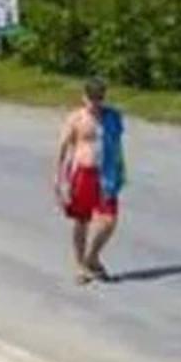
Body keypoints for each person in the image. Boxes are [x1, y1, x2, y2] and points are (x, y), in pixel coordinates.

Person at [55, 77, 125, 284]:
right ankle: (80, 265)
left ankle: (92, 256)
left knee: (109, 221)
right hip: (82, 174)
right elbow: (63, 148)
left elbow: (117, 146)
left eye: (100, 98)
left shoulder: (112, 117)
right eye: (92, 99)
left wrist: (121, 170)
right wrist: (59, 178)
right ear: (84, 97)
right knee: (82, 221)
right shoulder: (76, 119)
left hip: (106, 174)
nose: (96, 103)